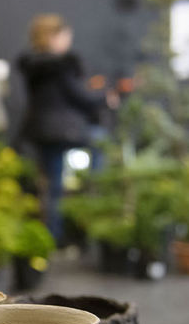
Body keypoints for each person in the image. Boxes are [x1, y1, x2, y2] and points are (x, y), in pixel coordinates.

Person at [17, 14, 116, 245]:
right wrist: (105, 97)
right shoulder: (62, 65)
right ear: (54, 36)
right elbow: (81, 97)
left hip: (41, 132)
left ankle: (52, 238)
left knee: (52, 188)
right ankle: (91, 215)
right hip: (67, 132)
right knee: (100, 143)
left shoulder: (33, 64)